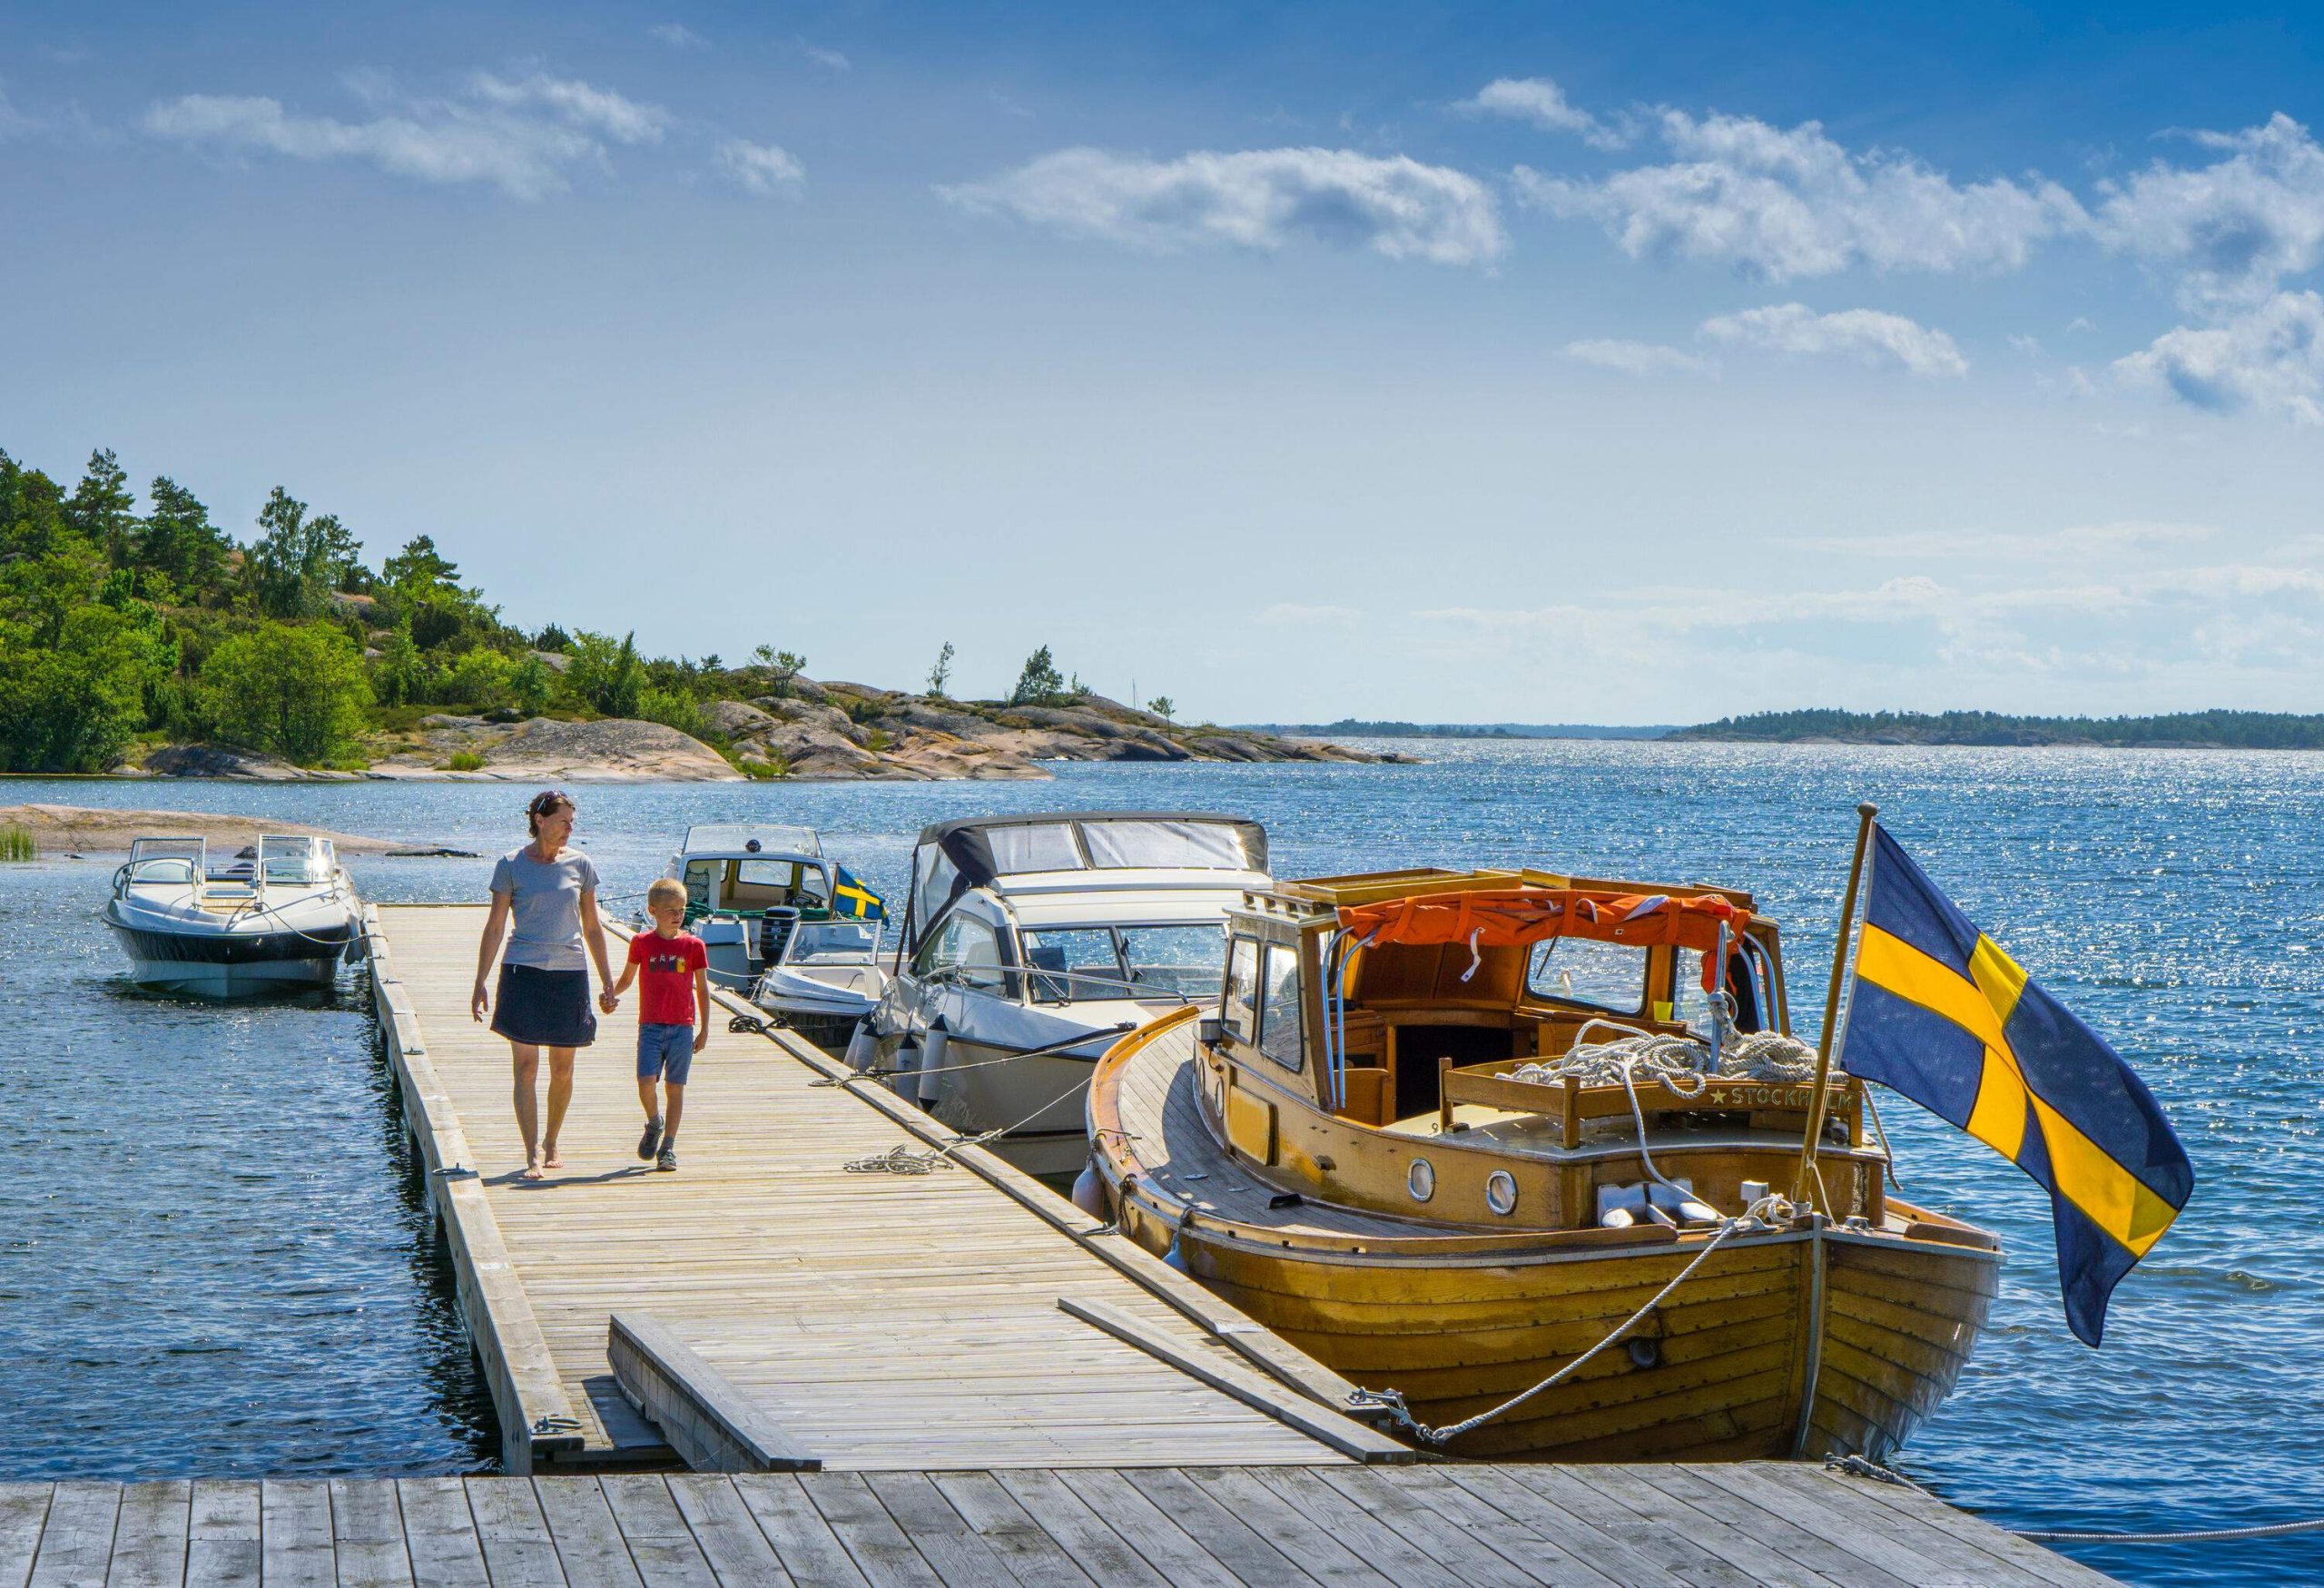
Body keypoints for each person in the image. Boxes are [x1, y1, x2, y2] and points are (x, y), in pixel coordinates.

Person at [470, 790, 615, 1180]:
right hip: (523, 972)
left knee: (563, 1067)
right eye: (563, 820)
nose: (570, 828)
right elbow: (496, 926)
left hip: (569, 973)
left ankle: (552, 1140)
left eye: (572, 821)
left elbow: (592, 927)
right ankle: (532, 1150)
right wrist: (481, 980)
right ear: (540, 820)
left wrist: (607, 981)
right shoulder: (512, 865)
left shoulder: (581, 865)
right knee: (526, 1067)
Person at [604, 877, 709, 1172]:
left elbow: (702, 989)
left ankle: (668, 1148)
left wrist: (704, 1029)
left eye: (681, 909)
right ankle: (654, 1122)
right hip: (650, 1026)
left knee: (676, 1088)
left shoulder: (694, 946)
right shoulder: (641, 943)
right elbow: (627, 978)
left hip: (682, 1028)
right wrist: (610, 992)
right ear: (653, 911)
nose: (678, 915)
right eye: (670, 910)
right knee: (645, 1082)